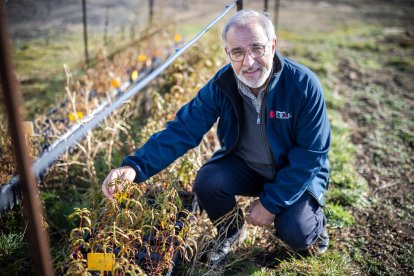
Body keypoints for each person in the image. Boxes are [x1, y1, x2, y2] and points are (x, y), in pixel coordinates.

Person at [102, 9, 331, 264]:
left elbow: (311, 155)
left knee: (297, 232)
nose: (249, 61)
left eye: (257, 48)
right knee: (208, 181)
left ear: (273, 44)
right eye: (238, 52)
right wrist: (134, 167)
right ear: (228, 54)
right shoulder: (222, 85)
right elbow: (182, 130)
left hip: (293, 171)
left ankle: (316, 230)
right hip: (248, 167)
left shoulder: (303, 85)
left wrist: (271, 203)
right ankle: (231, 231)